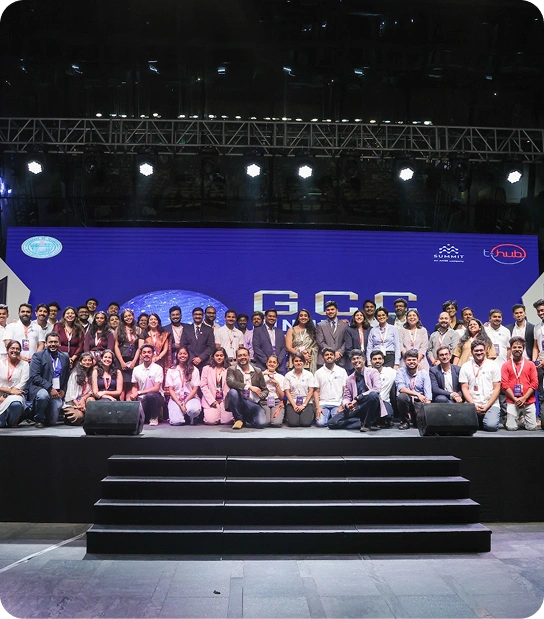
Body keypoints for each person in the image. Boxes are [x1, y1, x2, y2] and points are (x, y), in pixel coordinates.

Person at [328, 349, 382, 431]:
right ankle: (361, 422)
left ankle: (366, 423)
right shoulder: (349, 379)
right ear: (351, 362)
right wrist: (347, 405)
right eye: (353, 359)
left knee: (373, 395)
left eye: (358, 358)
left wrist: (358, 398)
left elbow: (377, 389)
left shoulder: (373, 372)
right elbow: (346, 397)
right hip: (356, 408)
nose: (356, 361)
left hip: (369, 406)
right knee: (332, 423)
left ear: (364, 360)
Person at [28, 332, 71, 428]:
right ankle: (38, 419)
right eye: (50, 342)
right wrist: (50, 388)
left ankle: (45, 416)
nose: (53, 344)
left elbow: (67, 376)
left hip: (57, 390)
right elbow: (34, 376)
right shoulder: (38, 356)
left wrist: (63, 389)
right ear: (46, 343)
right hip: (41, 388)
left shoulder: (65, 356)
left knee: (52, 422)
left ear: (59, 343)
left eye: (55, 342)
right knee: (43, 396)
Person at [459, 340, 501, 432]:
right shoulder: (465, 366)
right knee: (465, 426)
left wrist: (487, 406)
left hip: (490, 404)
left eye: (481, 350)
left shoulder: (493, 365)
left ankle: (484, 419)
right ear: (471, 352)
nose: (479, 353)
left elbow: (497, 388)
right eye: (476, 350)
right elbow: (464, 388)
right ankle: (479, 420)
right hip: (471, 404)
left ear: (485, 351)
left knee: (491, 426)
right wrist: (473, 405)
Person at [501, 336, 538, 431]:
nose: (517, 349)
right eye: (514, 347)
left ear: (523, 349)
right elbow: (504, 385)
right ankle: (509, 421)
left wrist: (524, 398)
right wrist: (515, 399)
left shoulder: (531, 364)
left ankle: (521, 420)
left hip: (528, 401)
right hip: (512, 401)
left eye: (519, 347)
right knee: (511, 428)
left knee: (532, 427)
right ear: (511, 349)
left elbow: (534, 384)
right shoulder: (505, 365)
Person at [226, 347, 267, 429]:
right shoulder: (232, 369)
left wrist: (261, 395)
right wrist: (249, 387)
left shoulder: (257, 371)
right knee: (232, 392)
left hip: (253, 403)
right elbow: (230, 382)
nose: (242, 357)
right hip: (240, 401)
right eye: (239, 355)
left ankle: (245, 418)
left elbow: (265, 389)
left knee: (261, 424)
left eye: (244, 355)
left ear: (249, 356)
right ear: (236, 358)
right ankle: (238, 419)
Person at [128, 343, 165, 426]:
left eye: (149, 352)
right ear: (141, 355)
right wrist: (134, 396)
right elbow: (134, 386)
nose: (146, 354)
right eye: (144, 352)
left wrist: (139, 392)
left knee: (150, 395)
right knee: (138, 418)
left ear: (153, 354)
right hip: (142, 398)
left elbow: (156, 388)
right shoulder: (136, 369)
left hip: (156, 396)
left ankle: (154, 417)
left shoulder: (158, 368)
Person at [395, 349, 432, 430]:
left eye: (414, 360)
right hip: (407, 401)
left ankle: (416, 419)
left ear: (417, 361)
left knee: (417, 425)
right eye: (409, 360)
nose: (411, 362)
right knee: (402, 397)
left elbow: (428, 395)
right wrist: (417, 394)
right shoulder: (400, 371)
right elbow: (401, 389)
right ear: (405, 361)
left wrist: (425, 410)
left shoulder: (424, 373)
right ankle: (405, 421)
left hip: (418, 402)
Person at [165, 347, 201, 425]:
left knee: (193, 410)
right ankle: (182, 415)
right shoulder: (171, 370)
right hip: (176, 399)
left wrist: (185, 401)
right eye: (180, 354)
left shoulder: (194, 370)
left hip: (191, 398)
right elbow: (171, 389)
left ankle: (190, 416)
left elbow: (195, 389)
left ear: (188, 355)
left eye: (185, 354)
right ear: (177, 355)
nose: (182, 356)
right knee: (176, 422)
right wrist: (179, 403)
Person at [313, 347, 348, 427]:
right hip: (323, 404)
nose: (329, 356)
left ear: (334, 357)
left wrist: (342, 405)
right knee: (320, 423)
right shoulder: (318, 372)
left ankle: (331, 419)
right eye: (326, 355)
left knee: (337, 422)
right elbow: (316, 391)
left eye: (331, 354)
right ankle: (329, 419)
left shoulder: (342, 371)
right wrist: (318, 407)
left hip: (337, 404)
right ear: (323, 358)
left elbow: (345, 390)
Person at [114, 309, 143, 398]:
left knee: (132, 383)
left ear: (133, 316)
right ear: (123, 318)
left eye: (129, 315)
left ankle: (129, 403)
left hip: (134, 358)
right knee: (122, 384)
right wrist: (121, 362)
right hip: (121, 358)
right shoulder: (118, 329)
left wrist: (134, 361)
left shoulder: (138, 329)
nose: (128, 318)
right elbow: (116, 346)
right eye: (125, 316)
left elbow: (140, 347)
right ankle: (121, 404)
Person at [0, 340, 29, 427]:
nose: (15, 350)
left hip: (16, 394)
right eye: (12, 348)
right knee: (1, 425)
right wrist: (9, 391)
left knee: (16, 403)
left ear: (20, 351)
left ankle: (13, 422)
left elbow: (23, 383)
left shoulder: (25, 365)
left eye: (17, 349)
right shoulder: (0, 363)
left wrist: (6, 395)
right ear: (7, 350)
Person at [200, 347, 232, 425]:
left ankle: (222, 412)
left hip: (225, 400)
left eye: (221, 355)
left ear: (225, 357)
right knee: (211, 421)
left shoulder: (230, 369)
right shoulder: (206, 369)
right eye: (217, 355)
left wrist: (224, 400)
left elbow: (232, 386)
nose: (219, 357)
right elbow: (203, 386)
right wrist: (212, 401)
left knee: (226, 421)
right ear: (213, 356)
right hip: (211, 400)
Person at [284, 352, 317, 427]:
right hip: (292, 402)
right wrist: (294, 405)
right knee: (293, 423)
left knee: (306, 423)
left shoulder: (309, 375)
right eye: (296, 361)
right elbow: (287, 392)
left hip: (306, 402)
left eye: (300, 361)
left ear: (304, 362)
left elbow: (311, 391)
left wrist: (304, 405)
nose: (298, 363)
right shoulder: (288, 375)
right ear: (293, 363)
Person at [63, 352, 95, 425]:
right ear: (80, 362)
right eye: (85, 360)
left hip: (83, 400)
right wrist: (78, 405)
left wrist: (83, 399)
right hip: (73, 402)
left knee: (91, 400)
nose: (87, 362)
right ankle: (69, 417)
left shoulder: (92, 374)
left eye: (89, 360)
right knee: (79, 417)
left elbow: (91, 391)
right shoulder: (75, 374)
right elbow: (70, 393)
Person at [180, 307, 216, 372]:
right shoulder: (186, 329)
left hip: (204, 362)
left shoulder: (208, 329)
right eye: (196, 314)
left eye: (200, 314)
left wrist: (200, 358)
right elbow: (183, 345)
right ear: (192, 316)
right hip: (189, 362)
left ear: (203, 316)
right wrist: (192, 358)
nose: (198, 316)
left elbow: (211, 347)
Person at [316, 300, 348, 368]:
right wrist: (331, 353)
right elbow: (320, 342)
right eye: (328, 310)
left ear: (337, 310)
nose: (330, 311)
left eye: (332, 309)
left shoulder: (345, 325)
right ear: (325, 312)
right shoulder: (320, 325)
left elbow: (347, 341)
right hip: (324, 360)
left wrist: (340, 352)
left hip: (340, 359)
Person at [285, 309, 318, 373]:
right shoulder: (291, 330)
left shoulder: (313, 331)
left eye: (305, 316)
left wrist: (307, 352)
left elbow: (316, 346)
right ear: (298, 318)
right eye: (301, 315)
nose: (303, 317)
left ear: (308, 318)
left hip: (308, 361)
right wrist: (301, 355)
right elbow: (288, 347)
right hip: (295, 360)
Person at [369, 350, 396, 424]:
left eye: (379, 359)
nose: (377, 361)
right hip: (371, 403)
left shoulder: (390, 372)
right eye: (375, 359)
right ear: (371, 361)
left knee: (388, 416)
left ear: (383, 360)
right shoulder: (367, 373)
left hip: (384, 402)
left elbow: (402, 373)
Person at [143, 313, 171, 377]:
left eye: (155, 319)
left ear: (158, 322)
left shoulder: (164, 334)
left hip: (160, 361)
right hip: (147, 361)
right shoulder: (144, 334)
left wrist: (158, 357)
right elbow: (140, 348)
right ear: (148, 322)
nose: (153, 321)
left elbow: (165, 349)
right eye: (151, 319)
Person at [262, 354, 286, 427]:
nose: (271, 364)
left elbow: (281, 397)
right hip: (264, 401)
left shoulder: (281, 377)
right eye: (270, 362)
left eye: (274, 362)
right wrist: (262, 375)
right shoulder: (260, 375)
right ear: (266, 363)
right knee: (265, 422)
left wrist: (277, 384)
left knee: (276, 423)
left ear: (277, 365)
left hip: (277, 402)